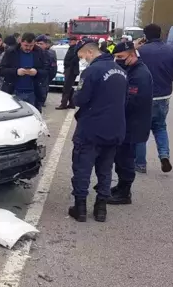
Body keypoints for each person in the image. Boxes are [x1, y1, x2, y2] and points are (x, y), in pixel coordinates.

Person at [69, 38, 127, 222]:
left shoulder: (91, 71)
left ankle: (80, 209)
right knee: (105, 170)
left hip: (91, 129)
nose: (83, 60)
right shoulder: (121, 71)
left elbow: (80, 99)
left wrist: (75, 94)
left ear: (90, 52)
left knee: (82, 169)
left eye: (83, 57)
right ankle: (101, 209)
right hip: (115, 128)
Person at [134, 23, 173, 173]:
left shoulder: (140, 51)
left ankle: (140, 164)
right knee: (160, 127)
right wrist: (170, 76)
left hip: (143, 96)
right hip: (164, 96)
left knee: (140, 130)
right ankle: (164, 155)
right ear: (160, 34)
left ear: (145, 36)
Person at [107, 41, 153, 205]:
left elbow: (131, 101)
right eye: (116, 57)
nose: (118, 60)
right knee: (120, 157)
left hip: (133, 124)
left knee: (126, 158)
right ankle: (121, 186)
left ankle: (125, 193)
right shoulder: (129, 69)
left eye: (121, 57)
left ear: (132, 55)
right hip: (126, 123)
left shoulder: (139, 74)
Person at [0, 33, 47, 111]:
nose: (28, 48)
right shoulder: (11, 52)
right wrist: (16, 72)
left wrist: (37, 72)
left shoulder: (39, 52)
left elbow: (46, 71)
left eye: (31, 46)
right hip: (14, 92)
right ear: (21, 42)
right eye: (26, 45)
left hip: (33, 93)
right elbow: (1, 70)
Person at [55, 36, 80, 110]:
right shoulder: (72, 48)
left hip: (71, 70)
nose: (69, 42)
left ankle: (63, 104)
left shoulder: (75, 48)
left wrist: (69, 68)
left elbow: (75, 59)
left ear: (75, 41)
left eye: (71, 40)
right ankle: (72, 103)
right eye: (69, 40)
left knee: (66, 87)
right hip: (69, 69)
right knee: (69, 87)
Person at [36, 35, 58, 108]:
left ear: (45, 45)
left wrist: (48, 79)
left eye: (41, 44)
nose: (39, 45)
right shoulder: (33, 53)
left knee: (40, 101)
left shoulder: (50, 54)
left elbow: (53, 69)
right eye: (37, 43)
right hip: (34, 81)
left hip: (44, 80)